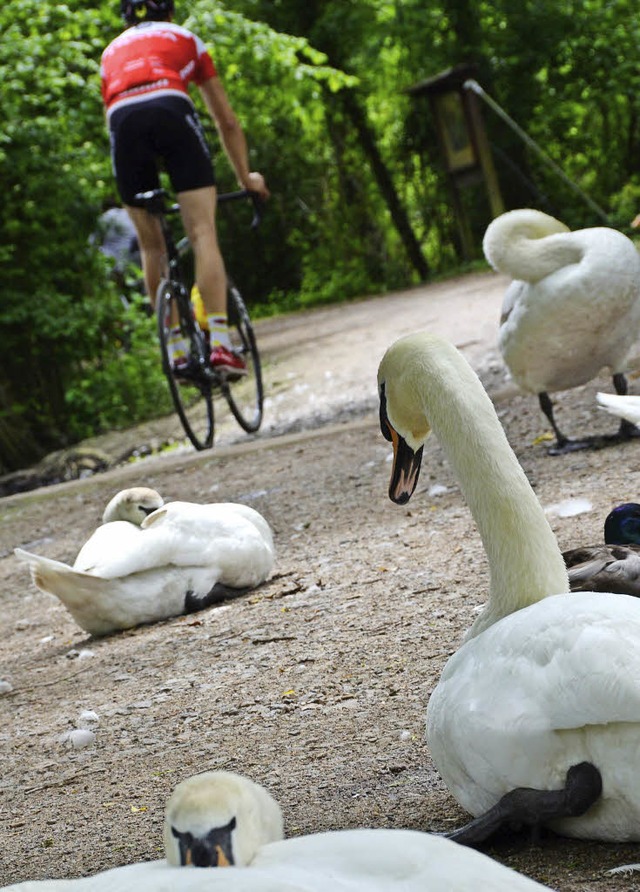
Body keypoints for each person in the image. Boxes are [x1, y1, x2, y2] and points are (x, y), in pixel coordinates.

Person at [100, 0, 269, 376]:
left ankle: (176, 350)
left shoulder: (109, 52)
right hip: (171, 110)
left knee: (150, 245)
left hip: (123, 124)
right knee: (202, 232)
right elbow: (225, 120)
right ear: (170, 13)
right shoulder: (186, 38)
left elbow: (111, 122)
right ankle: (222, 346)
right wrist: (246, 178)